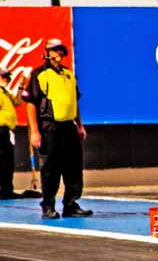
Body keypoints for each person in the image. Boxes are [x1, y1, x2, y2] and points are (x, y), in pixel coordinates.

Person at [25, 39, 92, 219]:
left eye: (61, 50)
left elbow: (74, 102)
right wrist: (35, 131)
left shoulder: (69, 75)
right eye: (55, 50)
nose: (58, 53)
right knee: (50, 169)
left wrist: (80, 125)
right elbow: (31, 104)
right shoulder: (39, 74)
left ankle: (71, 204)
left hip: (69, 127)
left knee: (74, 167)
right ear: (47, 53)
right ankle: (48, 206)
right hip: (49, 127)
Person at [0, 67, 23, 200]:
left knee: (7, 162)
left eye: (8, 77)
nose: (7, 80)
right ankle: (5, 190)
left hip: (6, 131)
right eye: (4, 77)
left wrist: (20, 87)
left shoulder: (4, 92)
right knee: (3, 161)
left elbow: (17, 102)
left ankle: (7, 190)